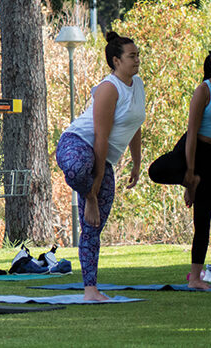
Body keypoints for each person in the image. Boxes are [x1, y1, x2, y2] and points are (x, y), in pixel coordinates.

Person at [148, 41, 211, 290]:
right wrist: (190, 174)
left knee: (203, 219)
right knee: (155, 171)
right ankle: (189, 181)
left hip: (210, 158)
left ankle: (195, 278)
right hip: (188, 151)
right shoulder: (203, 91)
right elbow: (192, 134)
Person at [54, 31, 144, 301]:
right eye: (132, 56)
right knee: (78, 169)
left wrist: (137, 162)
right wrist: (92, 191)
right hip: (78, 144)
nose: (137, 60)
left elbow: (135, 124)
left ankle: (90, 290)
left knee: (92, 227)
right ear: (116, 61)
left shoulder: (137, 84)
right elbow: (100, 137)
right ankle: (89, 195)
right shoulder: (109, 88)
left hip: (103, 157)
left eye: (138, 55)